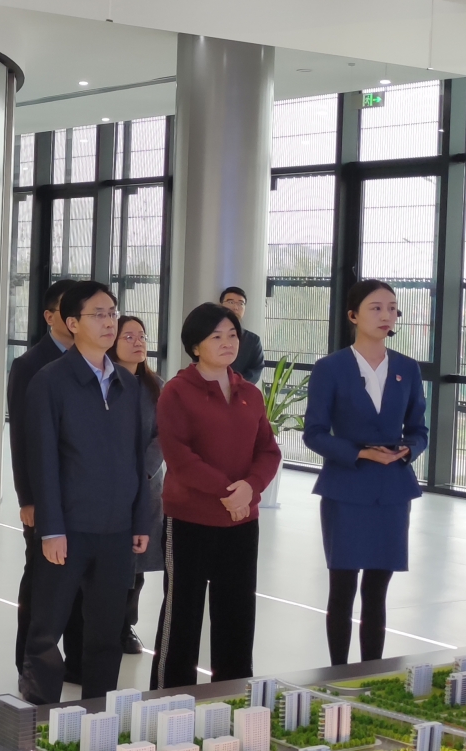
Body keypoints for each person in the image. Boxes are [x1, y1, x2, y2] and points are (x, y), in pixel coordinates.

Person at [19, 281, 156, 705]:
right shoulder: (50, 381)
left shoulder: (128, 384)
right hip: (68, 529)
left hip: (117, 531)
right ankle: (41, 717)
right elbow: (42, 459)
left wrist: (140, 521)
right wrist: (51, 529)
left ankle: (98, 717)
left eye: (112, 312)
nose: (110, 321)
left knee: (106, 633)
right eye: (99, 314)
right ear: (73, 323)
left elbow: (138, 460)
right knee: (46, 631)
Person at [150, 302, 281, 688]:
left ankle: (233, 695)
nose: (228, 343)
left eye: (233, 335)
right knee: (183, 613)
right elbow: (180, 457)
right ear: (195, 346)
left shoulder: (250, 394)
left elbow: (268, 450)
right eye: (216, 336)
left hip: (242, 522)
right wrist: (229, 492)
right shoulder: (176, 392)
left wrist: (250, 489)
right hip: (189, 520)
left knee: (237, 613)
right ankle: (168, 698)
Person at [302, 279, 426, 666]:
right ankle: (338, 674)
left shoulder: (407, 368)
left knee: (377, 590)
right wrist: (359, 452)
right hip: (346, 489)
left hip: (392, 491)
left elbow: (419, 429)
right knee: (342, 589)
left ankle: (372, 673)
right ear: (353, 315)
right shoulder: (330, 368)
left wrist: (409, 449)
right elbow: (314, 433)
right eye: (376, 308)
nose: (386, 315)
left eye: (392, 308)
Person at [8, 278, 76, 677]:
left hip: (85, 497)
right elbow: (21, 437)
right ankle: (30, 663)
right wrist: (27, 498)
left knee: (82, 583)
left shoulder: (99, 361)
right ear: (50, 317)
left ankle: (76, 661)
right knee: (40, 582)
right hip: (45, 496)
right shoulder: (30, 364)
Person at [107, 316, 166, 651]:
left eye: (141, 335)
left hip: (146, 486)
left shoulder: (157, 386)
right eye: (128, 336)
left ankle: (125, 625)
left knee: (137, 561)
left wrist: (143, 473)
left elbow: (164, 435)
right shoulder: (102, 382)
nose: (138, 341)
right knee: (108, 561)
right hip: (108, 486)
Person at [219, 286, 266, 386]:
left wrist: (235, 385)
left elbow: (256, 370)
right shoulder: (208, 335)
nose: (235, 307)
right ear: (220, 305)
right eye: (231, 302)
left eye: (241, 303)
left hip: (239, 390)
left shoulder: (253, 340)